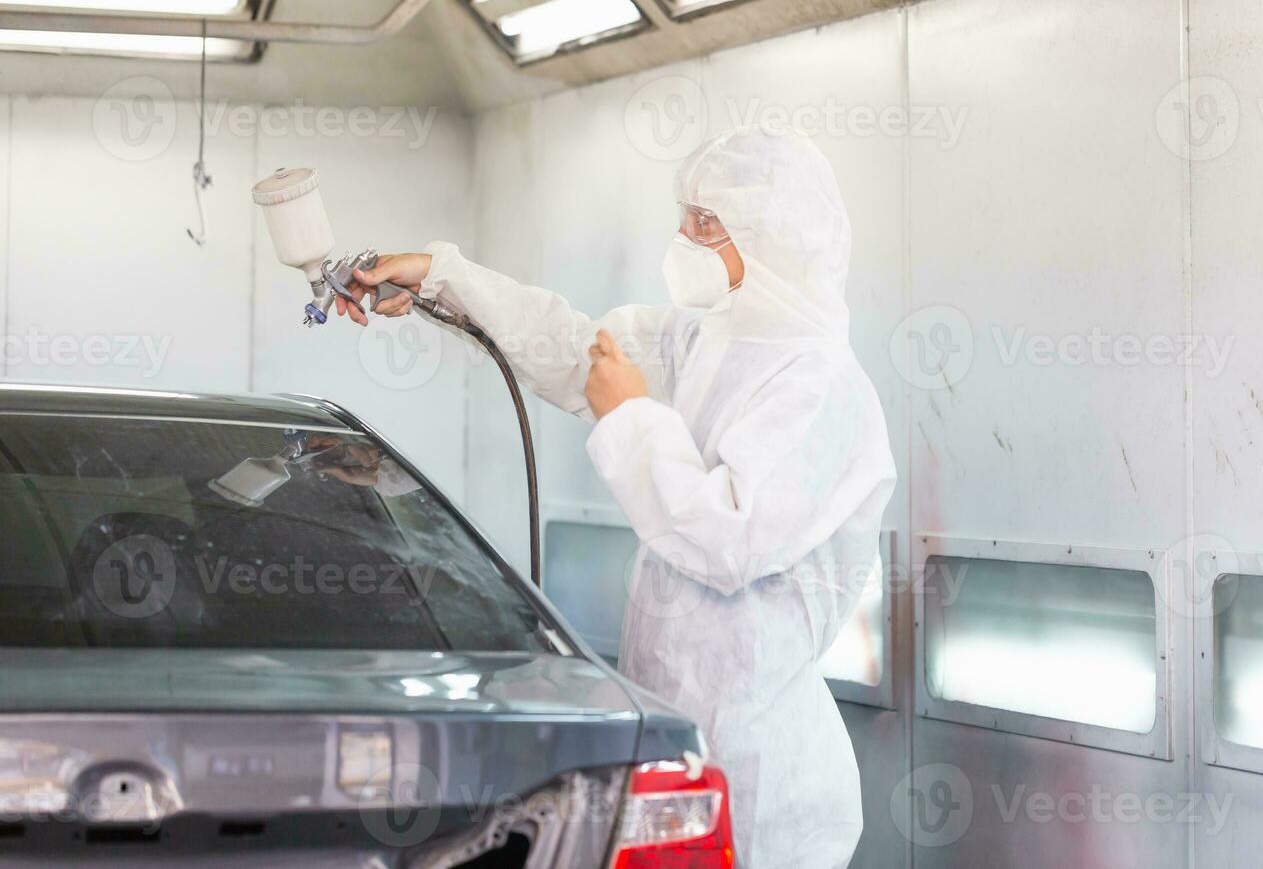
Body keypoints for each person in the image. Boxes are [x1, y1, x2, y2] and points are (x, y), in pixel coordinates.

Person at [337, 128, 896, 869]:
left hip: (762, 779)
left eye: (706, 223)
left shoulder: (821, 385)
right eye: (685, 216)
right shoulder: (710, 339)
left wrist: (631, 416)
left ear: (774, 239)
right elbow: (578, 351)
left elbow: (726, 542)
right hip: (672, 741)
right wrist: (442, 278)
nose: (683, 237)